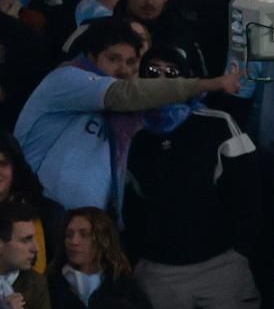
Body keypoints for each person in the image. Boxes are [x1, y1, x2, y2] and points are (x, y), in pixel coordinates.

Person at [122, 47, 262, 309]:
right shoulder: (133, 132)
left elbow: (251, 194)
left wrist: (242, 252)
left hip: (222, 266)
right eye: (154, 71)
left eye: (174, 72)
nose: (164, 79)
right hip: (161, 271)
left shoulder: (217, 123)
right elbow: (130, 206)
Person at [14, 17, 239, 212]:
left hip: (91, 224)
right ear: (91, 56)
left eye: (131, 62)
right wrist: (208, 84)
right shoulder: (67, 79)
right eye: (113, 59)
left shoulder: (131, 112)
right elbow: (125, 94)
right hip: (39, 208)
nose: (123, 70)